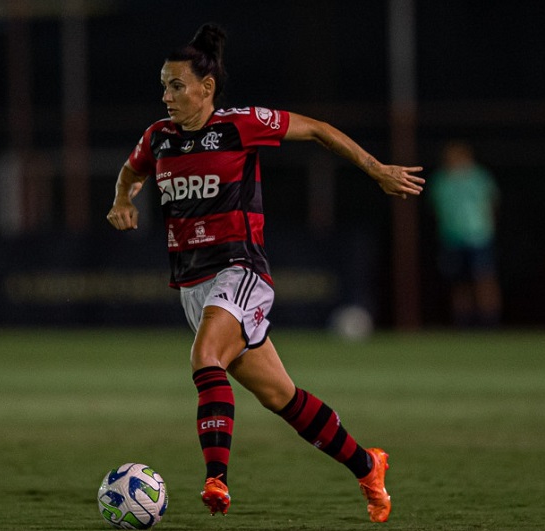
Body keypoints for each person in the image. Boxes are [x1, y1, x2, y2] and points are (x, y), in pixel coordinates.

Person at [107, 23, 424, 523]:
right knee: (282, 396)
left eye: (176, 86)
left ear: (206, 88)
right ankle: (367, 465)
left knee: (204, 358)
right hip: (193, 284)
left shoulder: (240, 124)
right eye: (164, 86)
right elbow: (131, 171)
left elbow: (317, 129)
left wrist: (375, 168)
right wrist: (122, 199)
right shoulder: (158, 138)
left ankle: (216, 478)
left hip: (240, 270)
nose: (166, 96)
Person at [429, 141, 501, 327]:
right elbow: (437, 208)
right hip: (452, 238)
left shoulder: (479, 177)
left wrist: (487, 227)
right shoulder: (441, 180)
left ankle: (489, 323)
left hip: (479, 236)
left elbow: (492, 202)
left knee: (484, 278)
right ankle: (463, 323)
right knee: (459, 282)